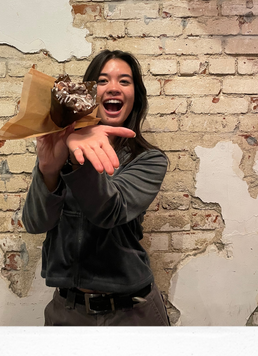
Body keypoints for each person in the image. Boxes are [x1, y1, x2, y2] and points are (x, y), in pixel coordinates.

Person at [22, 50, 170, 326]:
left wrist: (78, 164)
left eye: (124, 81)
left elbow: (110, 212)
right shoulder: (60, 148)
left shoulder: (149, 160)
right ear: (89, 93)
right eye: (103, 80)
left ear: (135, 96)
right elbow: (34, 223)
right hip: (67, 311)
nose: (113, 87)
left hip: (131, 313)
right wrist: (48, 168)